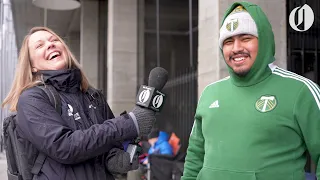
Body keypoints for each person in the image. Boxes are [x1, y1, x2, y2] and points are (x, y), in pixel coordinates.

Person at [182, 2, 320, 180]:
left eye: (246, 38)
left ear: (263, 41)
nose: (237, 48)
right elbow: (195, 156)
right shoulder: (210, 93)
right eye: (228, 41)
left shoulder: (301, 91)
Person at [1, 26, 156, 180]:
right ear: (32, 66)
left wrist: (114, 160)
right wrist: (130, 123)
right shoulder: (32, 99)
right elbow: (64, 147)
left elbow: (108, 143)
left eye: (54, 40)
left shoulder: (93, 96)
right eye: (39, 46)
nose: (50, 44)